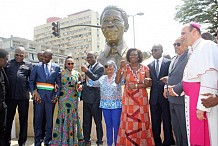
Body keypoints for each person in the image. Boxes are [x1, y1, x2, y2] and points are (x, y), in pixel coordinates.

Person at [181, 22, 218, 146]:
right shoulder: (195, 49)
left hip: (200, 101)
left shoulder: (206, 46)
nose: (181, 37)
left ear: (194, 32)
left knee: (207, 136)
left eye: (183, 33)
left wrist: (201, 107)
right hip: (192, 98)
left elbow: (209, 77)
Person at [115, 48, 154, 146]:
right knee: (129, 122)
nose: (133, 57)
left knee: (142, 121)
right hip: (129, 100)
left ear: (139, 56)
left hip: (141, 100)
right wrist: (120, 68)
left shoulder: (145, 68)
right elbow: (117, 81)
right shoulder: (126, 68)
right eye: (131, 55)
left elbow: (149, 84)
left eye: (135, 55)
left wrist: (137, 86)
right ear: (128, 57)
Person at [29, 49, 61, 146]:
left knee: (49, 122)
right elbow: (31, 81)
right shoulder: (37, 66)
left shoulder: (56, 67)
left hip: (50, 99)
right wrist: (34, 91)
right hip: (39, 98)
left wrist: (57, 95)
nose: (44, 58)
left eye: (46, 57)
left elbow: (59, 84)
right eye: (43, 56)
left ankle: (48, 141)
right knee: (38, 120)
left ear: (51, 57)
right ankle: (37, 142)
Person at [161, 38, 189, 146]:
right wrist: (166, 87)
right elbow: (172, 77)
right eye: (174, 44)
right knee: (176, 130)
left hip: (182, 99)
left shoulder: (189, 57)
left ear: (185, 44)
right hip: (171, 100)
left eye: (178, 44)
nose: (176, 46)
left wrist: (175, 90)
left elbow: (188, 78)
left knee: (184, 130)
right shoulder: (174, 59)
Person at [87, 60, 122, 146]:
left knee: (116, 125)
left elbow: (125, 81)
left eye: (111, 66)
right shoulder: (102, 78)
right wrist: (86, 72)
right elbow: (91, 83)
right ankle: (109, 144)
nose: (109, 68)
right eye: (106, 66)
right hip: (105, 106)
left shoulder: (118, 77)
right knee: (108, 125)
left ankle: (116, 144)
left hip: (116, 106)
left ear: (114, 67)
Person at [50, 56, 84, 146]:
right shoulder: (60, 73)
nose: (70, 65)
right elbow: (55, 83)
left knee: (73, 117)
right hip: (63, 98)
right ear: (65, 64)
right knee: (63, 116)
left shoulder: (77, 73)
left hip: (73, 98)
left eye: (72, 63)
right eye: (68, 63)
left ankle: (73, 141)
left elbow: (80, 83)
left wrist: (80, 87)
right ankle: (62, 140)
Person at [4, 47, 32, 146]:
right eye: (17, 55)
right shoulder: (8, 64)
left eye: (21, 55)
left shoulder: (28, 65)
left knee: (23, 120)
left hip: (23, 97)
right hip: (10, 97)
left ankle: (22, 142)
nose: (19, 57)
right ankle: (6, 141)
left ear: (24, 55)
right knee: (8, 120)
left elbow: (32, 81)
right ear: (14, 54)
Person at [148, 44, 175, 146]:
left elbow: (172, 77)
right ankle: (157, 142)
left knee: (167, 121)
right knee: (155, 122)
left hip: (165, 97)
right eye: (152, 50)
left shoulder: (169, 63)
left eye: (155, 50)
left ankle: (168, 142)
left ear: (161, 50)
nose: (153, 52)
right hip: (154, 99)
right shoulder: (149, 65)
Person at [81, 51, 104, 146]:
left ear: (96, 57)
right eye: (88, 58)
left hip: (95, 100)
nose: (89, 59)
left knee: (98, 122)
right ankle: (87, 140)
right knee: (86, 122)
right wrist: (80, 85)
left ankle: (99, 141)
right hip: (86, 99)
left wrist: (86, 71)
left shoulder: (100, 68)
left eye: (91, 57)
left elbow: (95, 78)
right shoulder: (88, 67)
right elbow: (85, 81)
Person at [0, 48, 9, 146]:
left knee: (2, 129)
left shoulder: (2, 70)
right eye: (6, 59)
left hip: (2, 106)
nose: (7, 61)